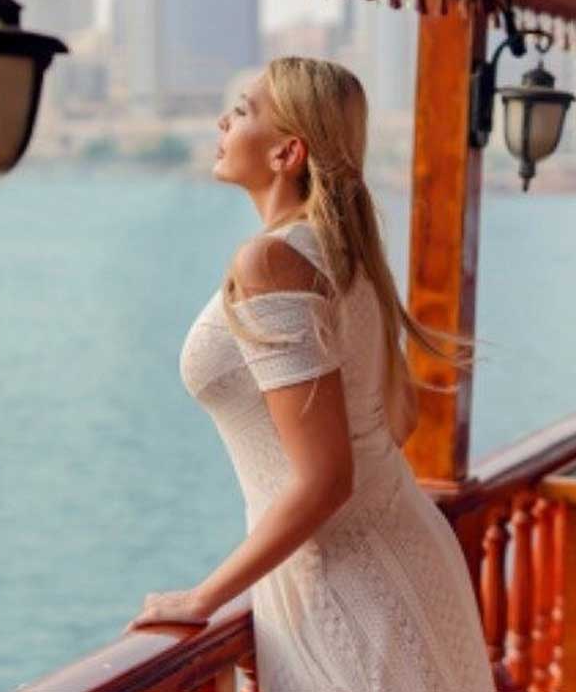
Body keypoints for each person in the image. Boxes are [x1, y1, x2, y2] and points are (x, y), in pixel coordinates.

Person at [123, 56, 495, 692]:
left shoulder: (272, 259)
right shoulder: (343, 252)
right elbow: (395, 420)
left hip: (352, 588)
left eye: (241, 111)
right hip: (392, 554)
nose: (222, 120)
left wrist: (204, 597)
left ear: (286, 152)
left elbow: (326, 480)